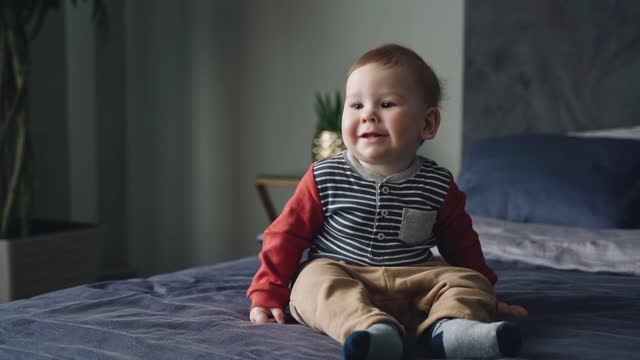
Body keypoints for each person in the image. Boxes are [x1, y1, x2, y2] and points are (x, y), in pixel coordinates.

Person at [247, 43, 528, 360]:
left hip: (414, 278)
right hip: (342, 271)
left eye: (386, 103)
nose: (368, 115)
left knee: (466, 280)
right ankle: (370, 331)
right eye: (355, 106)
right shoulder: (324, 176)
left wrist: (487, 292)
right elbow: (286, 235)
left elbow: (462, 244)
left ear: (427, 124)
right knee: (312, 281)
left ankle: (452, 329)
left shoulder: (437, 184)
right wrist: (267, 291)